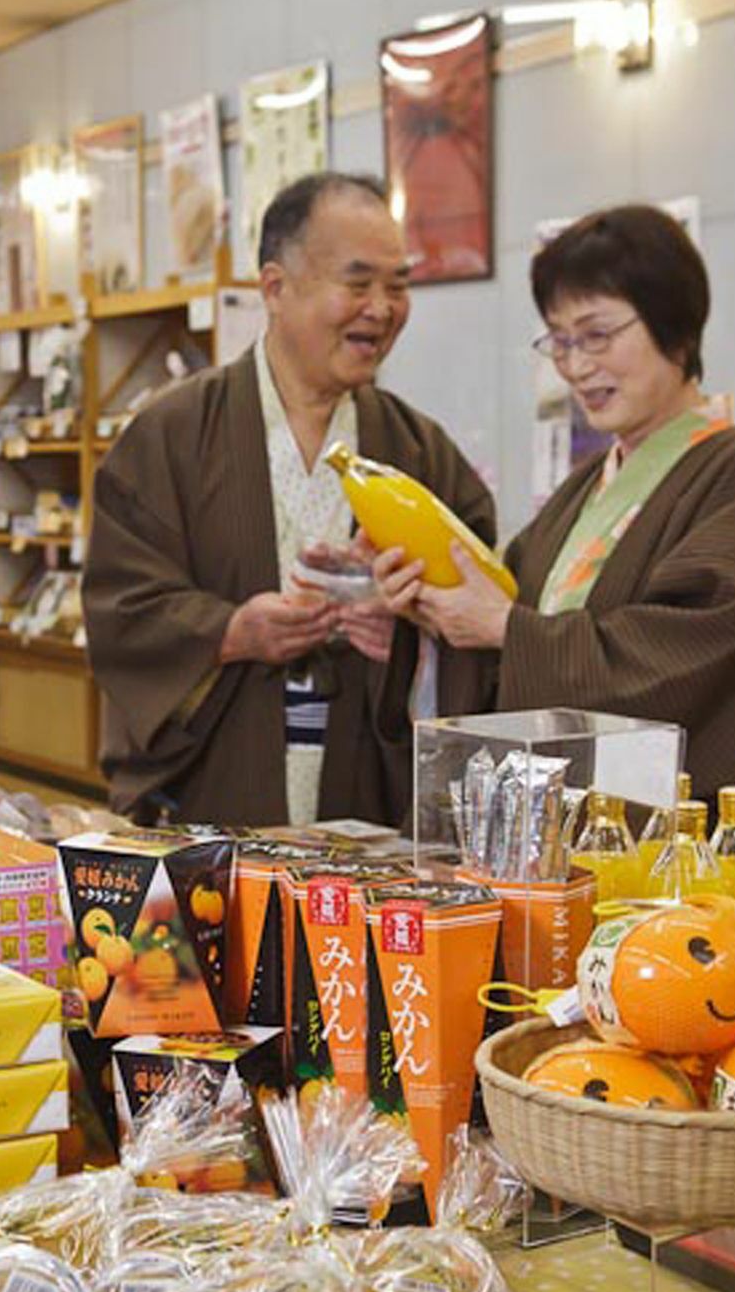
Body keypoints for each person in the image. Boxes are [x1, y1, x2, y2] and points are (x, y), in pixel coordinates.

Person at [373, 204, 735, 801]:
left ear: (675, 326)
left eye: (598, 335)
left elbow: (691, 655)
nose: (577, 366)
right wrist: (434, 616)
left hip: (685, 840)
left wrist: (505, 629)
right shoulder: (583, 492)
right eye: (560, 341)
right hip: (572, 834)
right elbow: (506, 627)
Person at [84, 172, 494, 827]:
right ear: (274, 287)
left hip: (367, 798)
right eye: (358, 284)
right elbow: (120, 607)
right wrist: (228, 631)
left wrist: (409, 639)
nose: (382, 308)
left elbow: (482, 611)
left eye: (398, 285)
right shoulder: (171, 435)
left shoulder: (420, 451)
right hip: (219, 781)